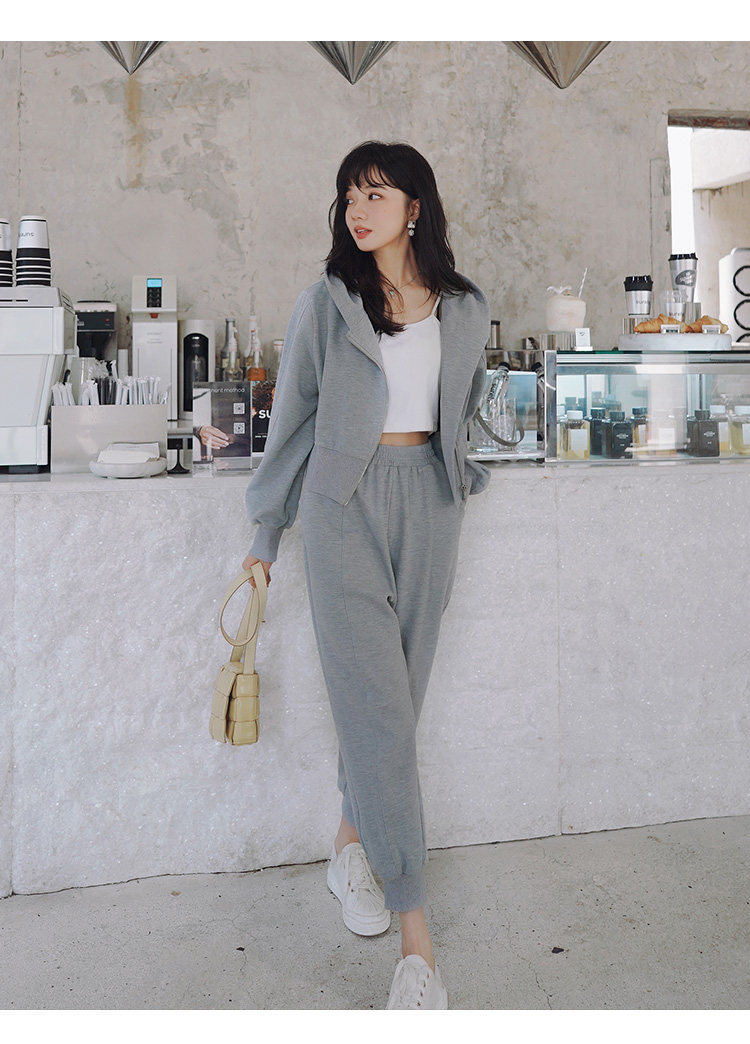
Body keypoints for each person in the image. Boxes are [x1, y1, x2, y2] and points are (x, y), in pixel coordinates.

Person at [242, 140, 491, 1009]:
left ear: (415, 208)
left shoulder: (465, 307)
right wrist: (266, 535)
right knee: (379, 713)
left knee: (396, 703)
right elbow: (292, 421)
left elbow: (463, 405)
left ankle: (349, 842)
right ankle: (417, 943)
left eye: (377, 193)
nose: (359, 208)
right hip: (342, 505)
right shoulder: (327, 303)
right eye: (351, 194)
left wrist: (459, 472)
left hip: (431, 503)